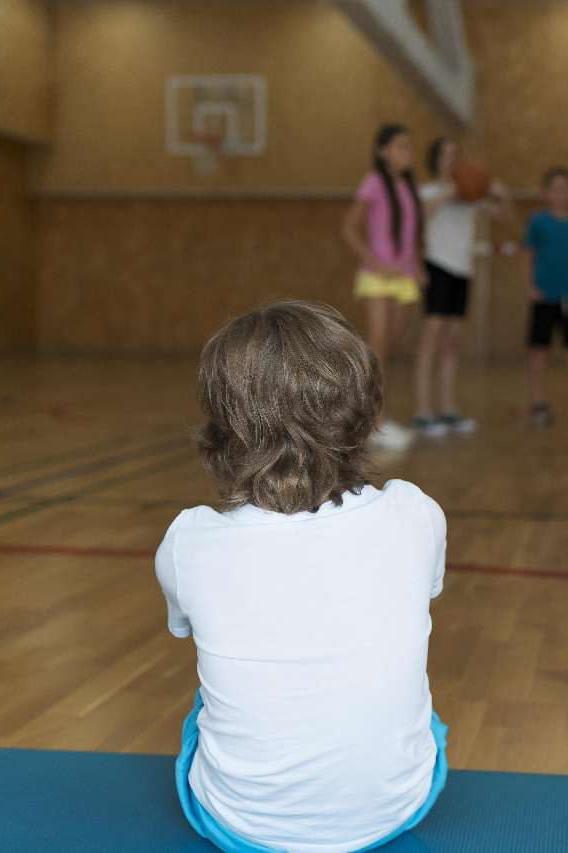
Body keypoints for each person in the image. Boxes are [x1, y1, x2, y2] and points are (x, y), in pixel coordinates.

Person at [157, 301, 449, 853]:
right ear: (366, 412)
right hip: (401, 808)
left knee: (207, 701)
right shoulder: (416, 512)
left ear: (222, 425)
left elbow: (183, 628)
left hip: (237, 827)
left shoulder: (188, 540)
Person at [412, 137, 515, 436]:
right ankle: (422, 412)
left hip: (462, 270)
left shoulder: (472, 195)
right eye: (445, 154)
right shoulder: (428, 191)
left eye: (455, 154)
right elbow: (423, 216)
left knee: (452, 342)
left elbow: (506, 217)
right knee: (431, 338)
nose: (451, 159)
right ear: (435, 159)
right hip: (436, 267)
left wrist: (501, 193)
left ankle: (447, 409)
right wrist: (452, 191)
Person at [341, 124, 425, 451]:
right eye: (401, 146)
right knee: (375, 350)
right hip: (378, 278)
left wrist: (416, 265)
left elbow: (411, 233)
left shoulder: (407, 185)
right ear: (383, 151)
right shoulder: (373, 183)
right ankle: (373, 422)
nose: (408, 152)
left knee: (388, 349)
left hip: (403, 279)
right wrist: (372, 260)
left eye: (409, 146)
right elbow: (349, 228)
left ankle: (372, 419)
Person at [522, 166, 568, 428]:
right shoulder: (537, 222)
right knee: (538, 351)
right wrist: (530, 286)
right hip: (543, 296)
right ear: (546, 193)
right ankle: (538, 402)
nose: (561, 193)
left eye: (566, 188)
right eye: (556, 188)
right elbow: (528, 255)